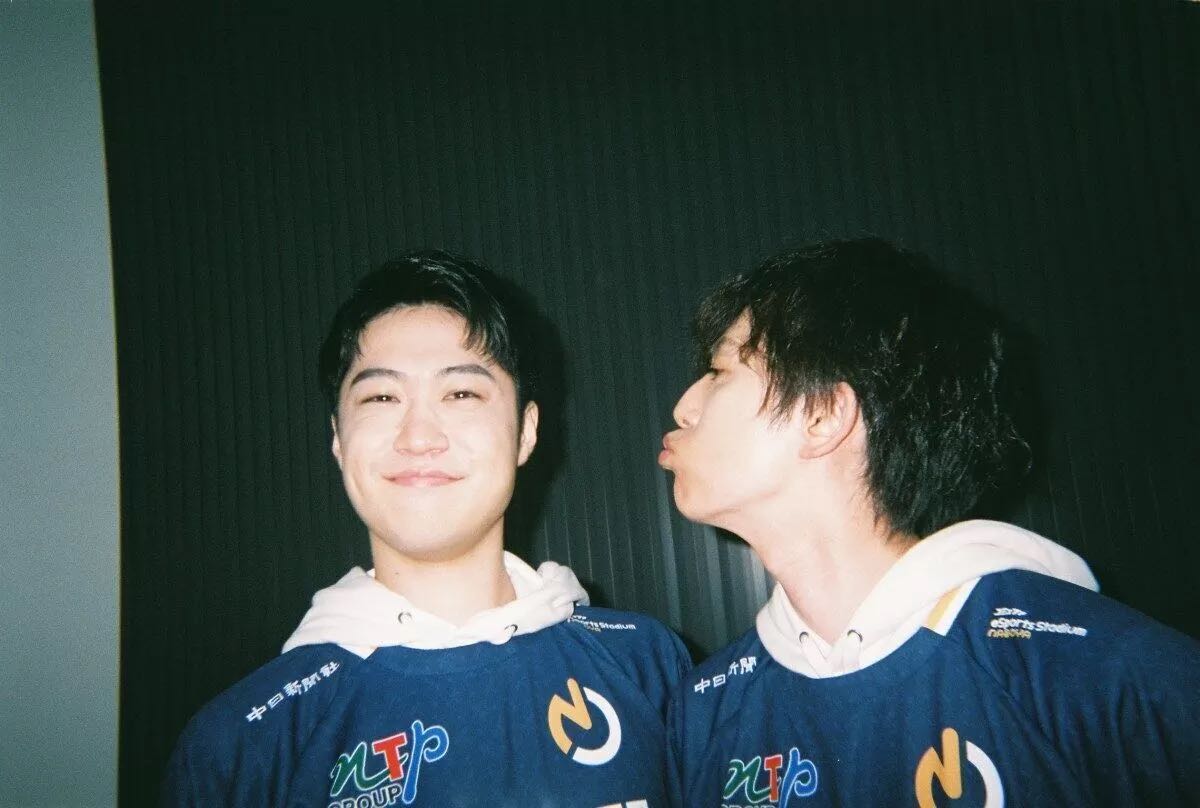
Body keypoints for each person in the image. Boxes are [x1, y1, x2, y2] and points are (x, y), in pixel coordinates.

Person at [660, 238, 1200, 807]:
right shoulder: (705, 711)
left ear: (822, 415)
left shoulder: (1098, 674)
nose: (684, 407)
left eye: (719, 371)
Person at [164, 251, 690, 807]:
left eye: (461, 394)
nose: (418, 437)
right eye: (381, 397)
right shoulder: (241, 747)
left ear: (526, 432)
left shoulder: (647, 665)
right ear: (338, 439)